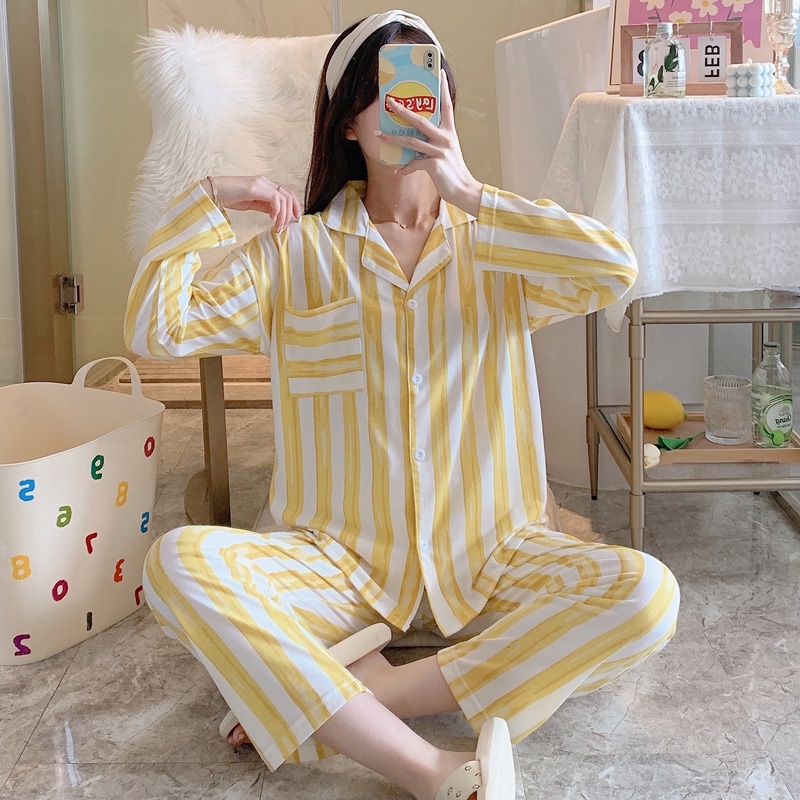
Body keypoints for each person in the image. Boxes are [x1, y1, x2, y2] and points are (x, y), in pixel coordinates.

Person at [125, 10, 680, 800]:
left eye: (422, 89)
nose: (406, 109)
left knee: (647, 596)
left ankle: (362, 697)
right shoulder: (296, 252)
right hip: (338, 569)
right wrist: (213, 194)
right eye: (382, 93)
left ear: (444, 103)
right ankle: (427, 768)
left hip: (495, 558)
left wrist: (470, 193)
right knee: (179, 564)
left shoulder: (496, 245)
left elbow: (613, 269)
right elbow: (158, 326)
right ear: (348, 122)